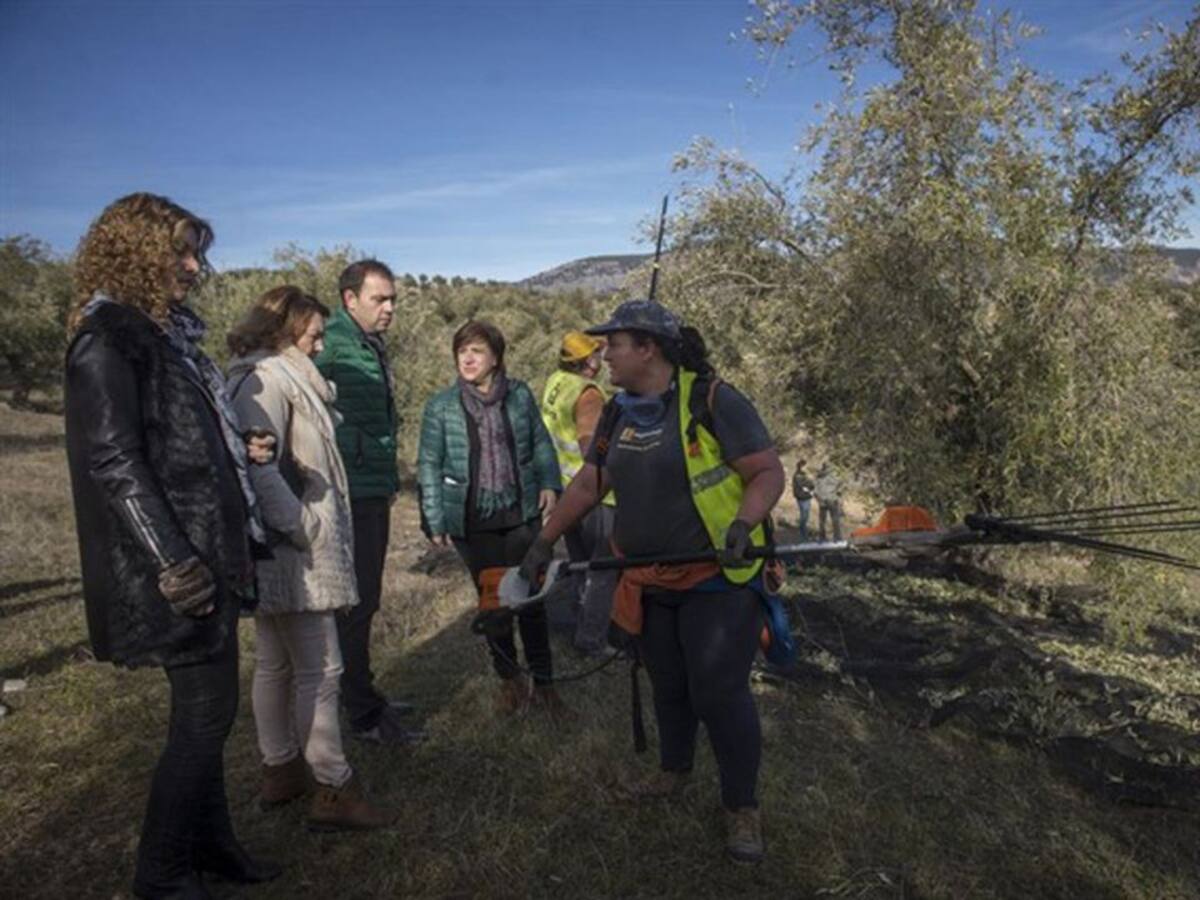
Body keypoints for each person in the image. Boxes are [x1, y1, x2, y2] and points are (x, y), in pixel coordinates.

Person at [63, 193, 280, 898]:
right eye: (180, 252)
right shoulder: (109, 338)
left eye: (196, 253)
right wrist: (172, 561)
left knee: (207, 715)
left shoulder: (167, 338)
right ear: (135, 252)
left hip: (206, 546)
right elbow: (114, 460)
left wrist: (232, 445)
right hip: (174, 562)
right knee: (205, 714)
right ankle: (158, 875)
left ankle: (212, 849)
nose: (193, 267)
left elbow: (172, 440)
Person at [519, 300, 784, 863]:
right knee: (667, 682)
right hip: (647, 577)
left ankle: (742, 807)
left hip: (718, 577)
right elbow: (589, 486)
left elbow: (766, 471)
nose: (605, 353)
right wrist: (543, 543)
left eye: (614, 343)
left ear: (648, 348)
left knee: (718, 691)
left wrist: (744, 522)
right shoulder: (616, 413)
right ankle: (674, 770)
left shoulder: (712, 400)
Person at [227, 286, 396, 832]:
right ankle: (332, 784)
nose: (320, 347)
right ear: (284, 330)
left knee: (275, 662)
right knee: (322, 669)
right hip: (292, 553)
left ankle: (281, 768)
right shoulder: (269, 381)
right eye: (314, 335)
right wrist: (307, 529)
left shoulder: (273, 376)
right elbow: (259, 469)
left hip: (278, 551)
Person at [417, 320, 566, 716]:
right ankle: (510, 682)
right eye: (462, 351)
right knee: (495, 603)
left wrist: (551, 481)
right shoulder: (441, 406)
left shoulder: (519, 396)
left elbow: (539, 441)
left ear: (495, 358)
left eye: (477, 350)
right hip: (473, 518)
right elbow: (429, 463)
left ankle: (545, 685)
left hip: (521, 511)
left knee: (531, 598)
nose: (467, 358)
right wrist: (433, 516)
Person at [315, 259, 422, 745]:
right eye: (380, 299)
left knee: (366, 599)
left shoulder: (364, 345)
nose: (390, 308)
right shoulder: (331, 345)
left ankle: (363, 694)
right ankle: (360, 713)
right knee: (355, 603)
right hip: (349, 491)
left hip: (371, 486)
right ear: (349, 299)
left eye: (393, 299)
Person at [539, 330, 619, 656]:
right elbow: (593, 450)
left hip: (564, 492)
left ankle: (577, 622)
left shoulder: (556, 383)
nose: (602, 359)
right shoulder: (587, 393)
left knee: (580, 563)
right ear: (588, 360)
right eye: (597, 354)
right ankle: (592, 639)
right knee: (603, 568)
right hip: (594, 496)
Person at [814, 461, 844, 541]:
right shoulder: (833, 476)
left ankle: (822, 537)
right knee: (835, 519)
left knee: (822, 521)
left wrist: (818, 498)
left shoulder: (818, 477)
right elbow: (840, 484)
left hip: (822, 500)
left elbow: (815, 491)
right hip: (832, 499)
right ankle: (837, 537)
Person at [791, 459, 815, 540]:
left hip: (806, 497)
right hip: (802, 498)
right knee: (804, 516)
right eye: (805, 466)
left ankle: (803, 531)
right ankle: (803, 533)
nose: (806, 468)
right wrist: (810, 488)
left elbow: (811, 484)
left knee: (805, 515)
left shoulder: (804, 475)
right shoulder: (798, 476)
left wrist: (810, 484)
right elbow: (804, 486)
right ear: (801, 466)